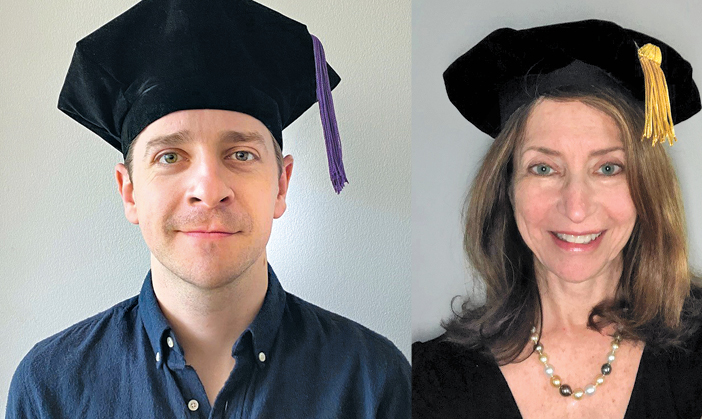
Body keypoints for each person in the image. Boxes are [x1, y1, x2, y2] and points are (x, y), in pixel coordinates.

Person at [5, 0, 410, 417]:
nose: (209, 190)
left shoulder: (371, 383)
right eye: (170, 156)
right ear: (129, 193)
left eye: (240, 154)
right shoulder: (50, 388)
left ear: (281, 185)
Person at [412, 19, 702, 418]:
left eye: (608, 169)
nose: (577, 207)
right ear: (506, 188)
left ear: (646, 189)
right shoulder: (431, 379)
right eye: (544, 168)